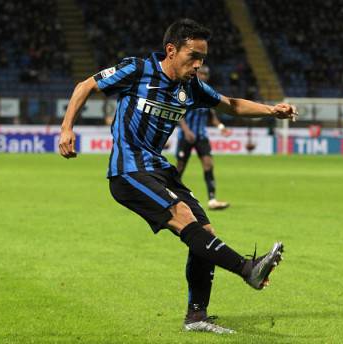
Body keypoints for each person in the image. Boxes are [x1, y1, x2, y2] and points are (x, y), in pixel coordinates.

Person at [58, 18, 297, 334]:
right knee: (183, 216)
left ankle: (196, 316)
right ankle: (247, 268)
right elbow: (85, 85)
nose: (198, 64)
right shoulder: (138, 70)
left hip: (159, 169)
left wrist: (271, 111)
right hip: (128, 170)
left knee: (205, 232)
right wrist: (66, 128)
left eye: (202, 58)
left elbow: (231, 105)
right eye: (193, 56)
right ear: (171, 50)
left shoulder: (191, 87)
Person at [176, 65, 231, 210]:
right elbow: (179, 114)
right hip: (185, 136)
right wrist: (187, 131)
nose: (204, 76)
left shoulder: (207, 94)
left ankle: (212, 200)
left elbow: (212, 117)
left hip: (201, 136)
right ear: (196, 73)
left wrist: (221, 127)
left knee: (208, 164)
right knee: (180, 167)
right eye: (201, 73)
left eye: (206, 74)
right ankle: (172, 196)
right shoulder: (186, 91)